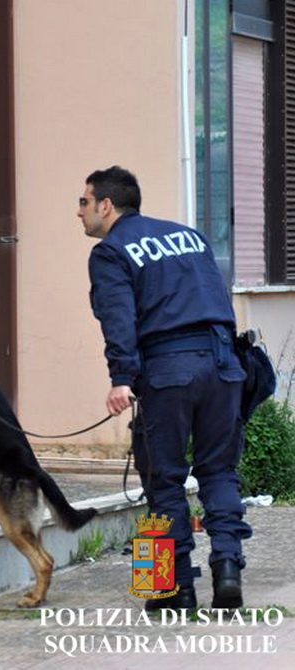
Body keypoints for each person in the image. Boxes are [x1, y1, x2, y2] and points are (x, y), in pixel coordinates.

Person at [78, 165, 251, 611]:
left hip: (168, 368)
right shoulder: (189, 236)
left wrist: (121, 377)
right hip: (224, 364)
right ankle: (228, 568)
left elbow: (118, 317)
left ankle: (170, 587)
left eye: (83, 202)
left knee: (162, 478)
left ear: (106, 205)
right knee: (220, 472)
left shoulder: (111, 251)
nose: (78, 212)